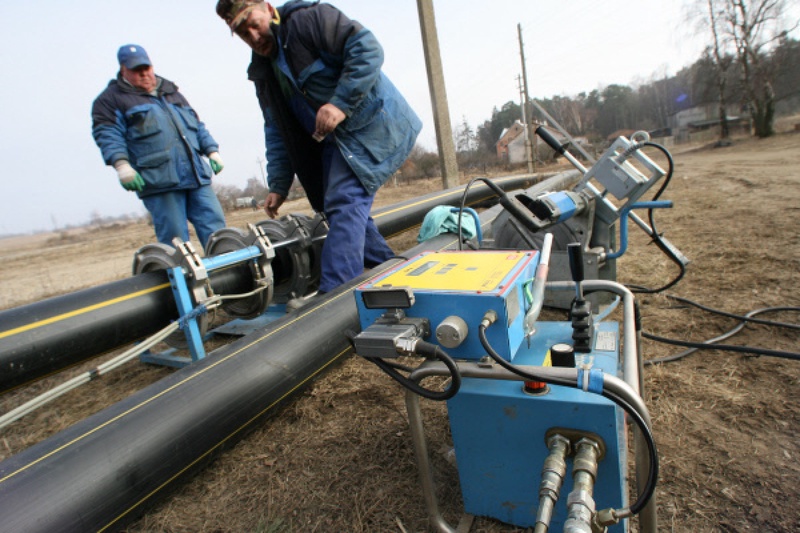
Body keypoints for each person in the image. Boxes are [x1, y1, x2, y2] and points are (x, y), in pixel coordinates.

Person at [215, 0, 422, 293]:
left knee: (344, 201)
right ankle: (397, 275)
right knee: (336, 208)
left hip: (370, 124)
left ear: (267, 8)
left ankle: (333, 302)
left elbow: (367, 49)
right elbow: (277, 130)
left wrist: (340, 104)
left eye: (253, 23)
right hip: (336, 140)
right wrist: (278, 185)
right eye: (243, 32)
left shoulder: (307, 20)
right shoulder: (264, 72)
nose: (254, 35)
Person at [91, 44, 227, 248]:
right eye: (137, 70)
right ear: (123, 70)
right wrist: (121, 165)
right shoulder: (110, 100)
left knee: (218, 232)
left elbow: (196, 125)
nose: (144, 74)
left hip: (196, 175)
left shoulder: (171, 92)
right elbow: (108, 134)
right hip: (160, 182)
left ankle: (230, 274)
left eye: (147, 68)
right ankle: (183, 279)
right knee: (176, 241)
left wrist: (212, 150)